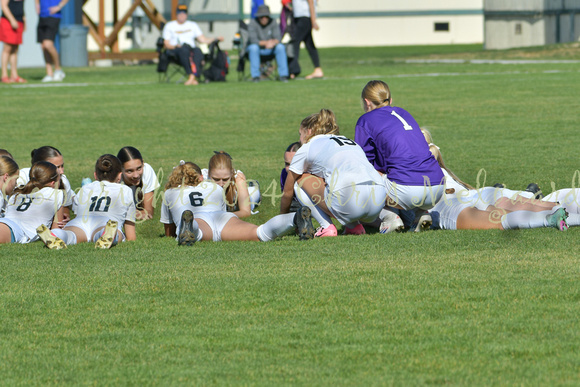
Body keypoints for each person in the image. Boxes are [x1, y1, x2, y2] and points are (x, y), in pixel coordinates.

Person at [354, 80, 445, 233]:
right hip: (437, 186)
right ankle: (419, 214)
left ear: (366, 102)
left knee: (361, 185)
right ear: (390, 99)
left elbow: (364, 164)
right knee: (397, 175)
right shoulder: (403, 112)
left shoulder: (365, 120)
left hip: (406, 189)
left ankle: (389, 217)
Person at [280, 108, 387, 237]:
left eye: (300, 134)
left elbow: (287, 191)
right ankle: (354, 227)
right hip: (379, 201)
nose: (300, 138)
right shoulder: (350, 142)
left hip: (349, 201)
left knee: (299, 180)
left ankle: (327, 227)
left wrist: (282, 219)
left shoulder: (307, 148)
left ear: (308, 131)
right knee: (333, 180)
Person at [161, 161, 314, 244]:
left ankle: (191, 226)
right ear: (200, 177)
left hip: (200, 220)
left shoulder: (170, 192)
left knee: (199, 233)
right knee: (260, 233)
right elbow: (224, 210)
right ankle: (295, 218)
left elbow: (169, 230)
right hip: (222, 217)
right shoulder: (213, 186)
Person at [426, 145, 569, 231]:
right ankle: (559, 210)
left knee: (504, 219)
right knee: (517, 209)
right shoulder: (435, 163)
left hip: (450, 207)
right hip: (472, 196)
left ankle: (553, 214)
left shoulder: (411, 170)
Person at [37, 154, 137, 249]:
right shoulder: (125, 190)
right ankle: (105, 233)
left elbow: (77, 211)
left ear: (95, 175)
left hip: (81, 221)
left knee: (70, 235)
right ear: (120, 175)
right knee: (115, 234)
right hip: (105, 221)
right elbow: (131, 236)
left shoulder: (85, 188)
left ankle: (56, 234)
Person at [0, 162, 64, 244]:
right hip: (19, 231)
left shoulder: (18, 191)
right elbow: (56, 229)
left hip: (6, 222)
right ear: (52, 183)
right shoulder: (57, 194)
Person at [161, 4, 224, 86]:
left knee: (198, 51)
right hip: (176, 50)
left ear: (186, 14)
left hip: (191, 49)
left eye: (184, 13)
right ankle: (192, 76)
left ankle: (192, 77)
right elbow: (166, 44)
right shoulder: (170, 25)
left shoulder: (192, 25)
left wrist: (215, 38)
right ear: (177, 14)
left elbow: (203, 40)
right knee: (184, 51)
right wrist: (175, 46)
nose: (182, 15)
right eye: (180, 13)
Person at [17, 146, 76, 228]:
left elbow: (65, 209)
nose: (62, 171)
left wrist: (65, 218)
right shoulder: (21, 178)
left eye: (62, 166)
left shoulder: (62, 180)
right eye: (57, 167)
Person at [204, 151, 260, 218]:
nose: (221, 184)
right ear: (209, 174)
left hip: (248, 198)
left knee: (254, 192)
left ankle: (254, 186)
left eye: (225, 179)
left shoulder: (238, 178)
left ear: (231, 173)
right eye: (216, 179)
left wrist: (222, 216)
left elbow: (245, 211)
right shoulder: (202, 178)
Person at [247, 4, 289, 82]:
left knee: (280, 47)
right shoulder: (252, 23)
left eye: (266, 16)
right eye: (261, 16)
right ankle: (256, 76)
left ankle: (283, 75)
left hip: (271, 49)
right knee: (253, 47)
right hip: (258, 49)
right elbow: (253, 40)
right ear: (258, 17)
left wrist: (272, 43)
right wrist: (266, 43)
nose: (264, 19)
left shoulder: (273, 22)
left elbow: (278, 38)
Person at [117, 146, 160, 221]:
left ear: (143, 163)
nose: (136, 175)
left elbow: (148, 213)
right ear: (120, 169)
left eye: (139, 168)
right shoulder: (115, 179)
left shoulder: (147, 170)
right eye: (129, 171)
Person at [287, 0, 323, 80]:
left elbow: (311, 3)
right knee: (309, 44)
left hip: (304, 18)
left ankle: (293, 70)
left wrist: (313, 21)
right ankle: (318, 69)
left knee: (295, 43)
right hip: (300, 18)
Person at [36, 0, 68, 82]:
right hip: (42, 16)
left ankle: (58, 69)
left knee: (48, 44)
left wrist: (59, 6)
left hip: (53, 16)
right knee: (43, 46)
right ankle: (49, 73)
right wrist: (37, 5)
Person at [1, 0, 26, 83]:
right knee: (7, 48)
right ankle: (4, 75)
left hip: (19, 22)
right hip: (8, 21)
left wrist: (24, 21)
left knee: (15, 49)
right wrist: (12, 20)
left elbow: (22, 8)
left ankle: (14, 75)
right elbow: (4, 6)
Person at [280, 141, 301, 213]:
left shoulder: (313, 175)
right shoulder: (284, 174)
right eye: (287, 164)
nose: (288, 168)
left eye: (293, 164)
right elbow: (286, 198)